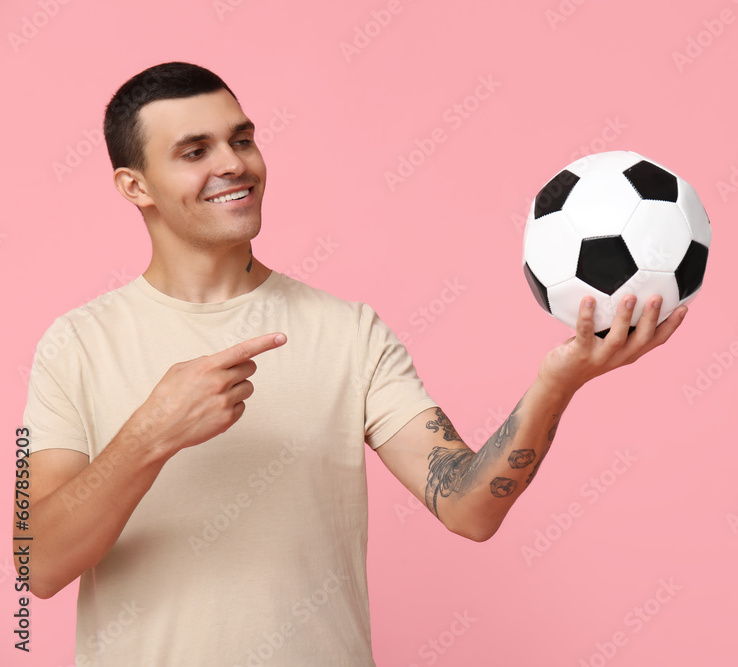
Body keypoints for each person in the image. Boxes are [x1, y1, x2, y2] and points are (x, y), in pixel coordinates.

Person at [17, 62, 688, 665]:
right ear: (135, 185)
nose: (234, 163)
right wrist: (150, 433)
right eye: (195, 151)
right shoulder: (74, 344)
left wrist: (557, 381)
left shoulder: (349, 331)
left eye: (242, 138)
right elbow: (36, 564)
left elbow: (468, 506)